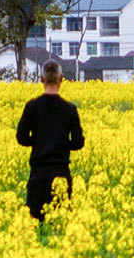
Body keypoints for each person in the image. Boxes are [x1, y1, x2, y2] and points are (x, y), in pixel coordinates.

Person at [16, 59, 84, 223]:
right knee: (60, 226)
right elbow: (78, 143)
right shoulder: (70, 109)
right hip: (61, 175)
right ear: (61, 79)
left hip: (38, 176)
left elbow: (21, 137)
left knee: (36, 226)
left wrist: (38, 141)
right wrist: (61, 143)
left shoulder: (32, 107)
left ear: (42, 79)